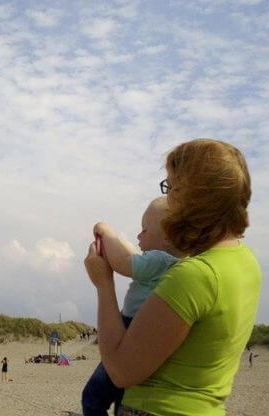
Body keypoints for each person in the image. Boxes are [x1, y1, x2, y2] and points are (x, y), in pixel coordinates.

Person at [85, 138, 261, 416]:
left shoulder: (194, 276)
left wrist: (103, 284)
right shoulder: (245, 262)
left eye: (170, 187)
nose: (168, 200)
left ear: (193, 196)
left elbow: (120, 371)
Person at [82, 197, 183, 416]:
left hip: (130, 328)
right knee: (123, 397)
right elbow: (131, 254)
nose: (138, 236)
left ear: (167, 235)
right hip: (150, 331)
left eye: (144, 230)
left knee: (92, 398)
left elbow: (123, 262)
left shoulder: (158, 260)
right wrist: (116, 241)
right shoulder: (174, 265)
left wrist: (104, 230)